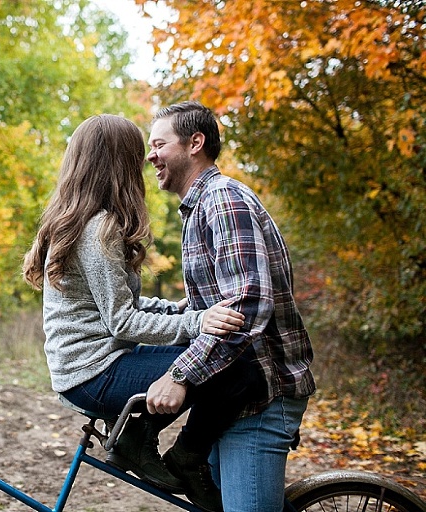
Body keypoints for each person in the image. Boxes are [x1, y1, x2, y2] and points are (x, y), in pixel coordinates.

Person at [22, 113, 264, 511]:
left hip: (93, 363)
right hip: (92, 373)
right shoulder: (98, 230)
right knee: (237, 366)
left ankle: (144, 437)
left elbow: (118, 307)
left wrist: (180, 310)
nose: (146, 163)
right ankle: (181, 454)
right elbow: (123, 322)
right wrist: (197, 321)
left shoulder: (85, 221)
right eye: (139, 155)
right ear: (118, 164)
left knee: (215, 355)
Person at [146, 101, 316, 512]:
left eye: (158, 144)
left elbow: (248, 303)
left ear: (195, 143)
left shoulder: (222, 199)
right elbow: (209, 303)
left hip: (261, 395)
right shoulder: (200, 208)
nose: (151, 155)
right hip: (237, 395)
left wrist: (180, 375)